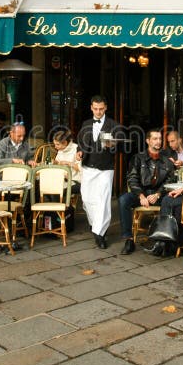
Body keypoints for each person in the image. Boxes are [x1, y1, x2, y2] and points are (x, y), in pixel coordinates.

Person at [118, 128, 175, 255]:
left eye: (160, 139)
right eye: (155, 139)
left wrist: (158, 193)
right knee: (123, 200)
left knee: (172, 201)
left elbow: (170, 181)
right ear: (148, 141)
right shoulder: (138, 158)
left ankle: (163, 241)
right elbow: (132, 178)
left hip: (158, 194)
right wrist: (141, 196)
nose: (158, 141)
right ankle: (128, 239)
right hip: (141, 192)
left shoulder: (167, 161)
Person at [76, 95, 122, 249]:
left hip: (105, 168)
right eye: (95, 109)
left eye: (101, 109)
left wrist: (112, 145)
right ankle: (96, 224)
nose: (98, 112)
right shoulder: (86, 123)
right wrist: (79, 152)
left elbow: (121, 147)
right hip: (88, 167)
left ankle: (99, 234)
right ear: (91, 108)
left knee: (103, 200)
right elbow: (81, 143)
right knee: (87, 200)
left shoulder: (114, 125)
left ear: (106, 108)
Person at [52, 129, 81, 193]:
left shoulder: (76, 149)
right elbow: (58, 161)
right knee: (47, 186)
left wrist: (67, 163)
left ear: (65, 142)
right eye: (55, 144)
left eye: (57, 144)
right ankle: (58, 202)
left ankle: (60, 202)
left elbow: (80, 168)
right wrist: (54, 162)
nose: (55, 147)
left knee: (56, 190)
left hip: (76, 180)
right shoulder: (61, 149)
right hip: (62, 178)